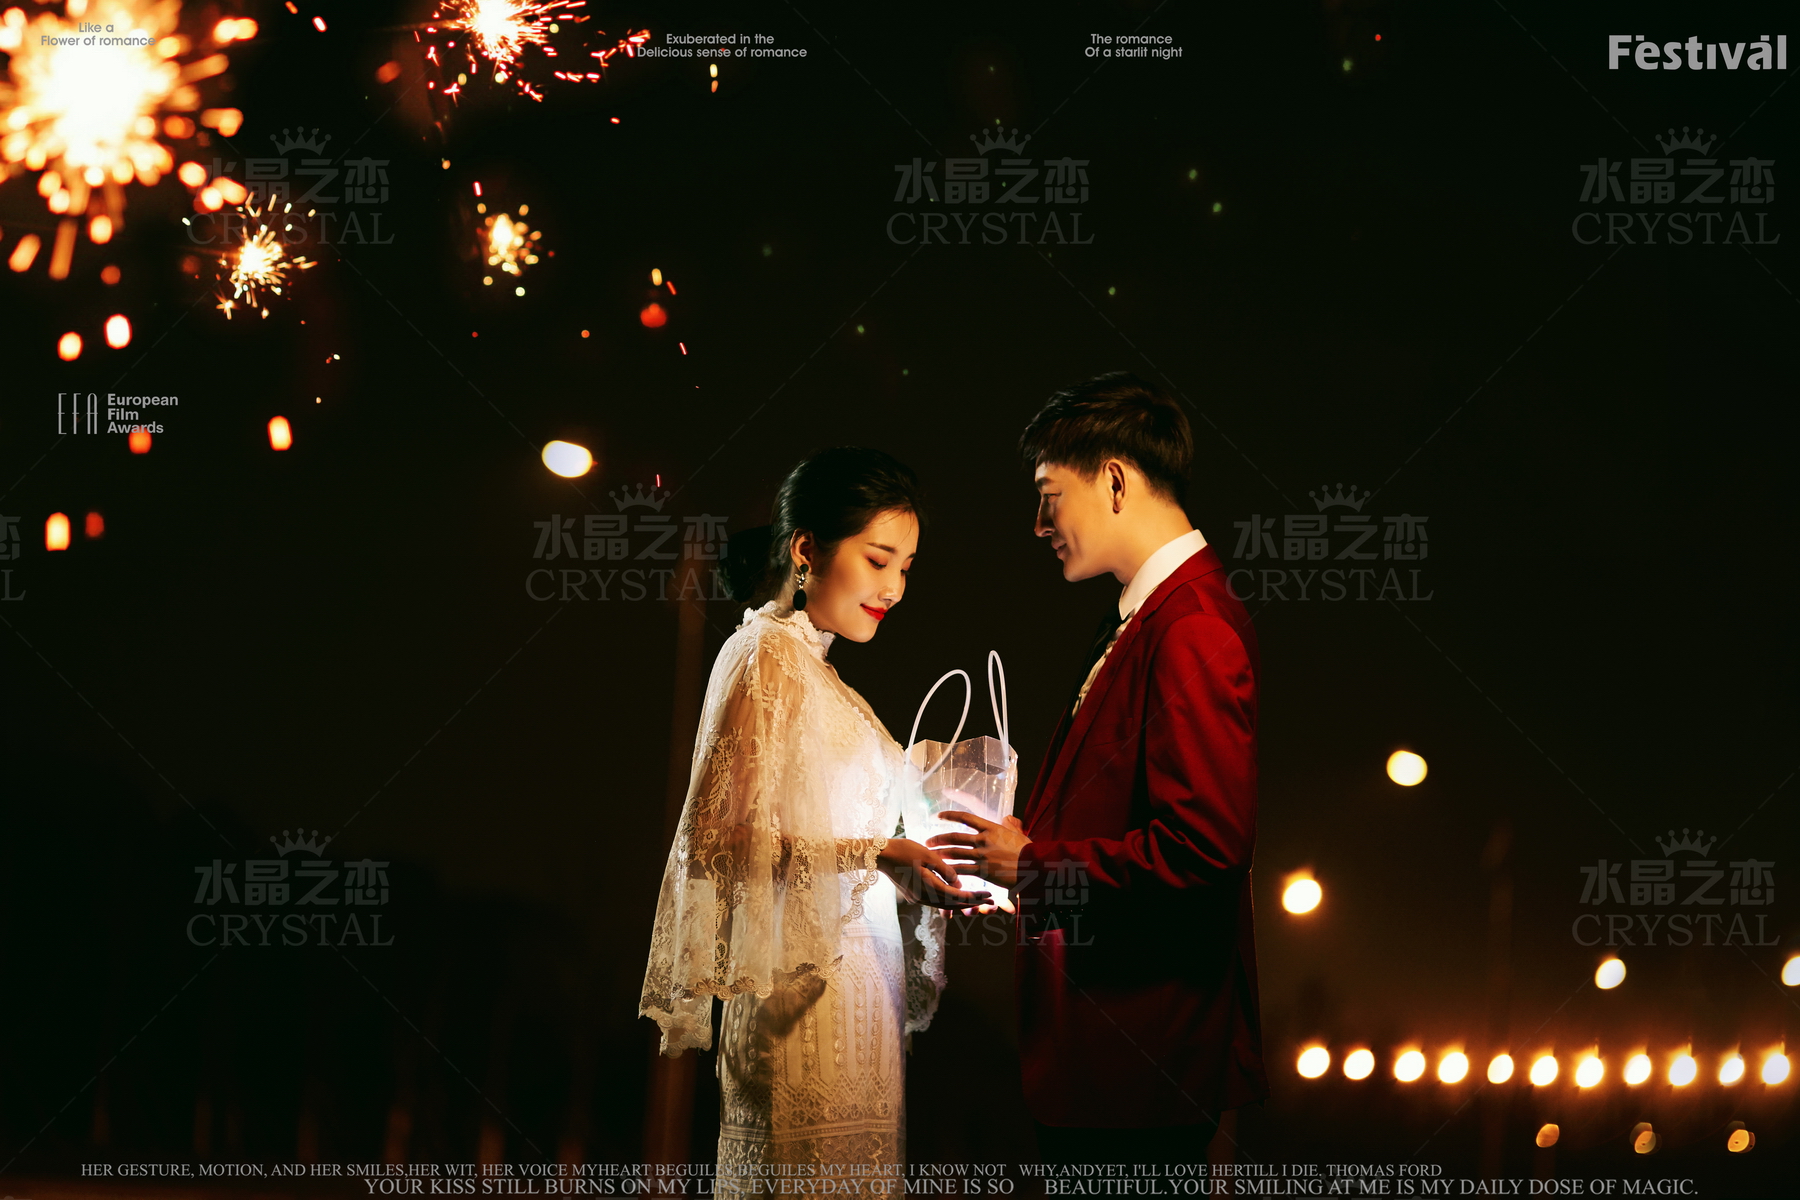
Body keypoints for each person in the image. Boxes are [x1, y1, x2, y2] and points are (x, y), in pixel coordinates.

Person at [929, 373, 1269, 1166]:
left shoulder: (1192, 626)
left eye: (1049, 495)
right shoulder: (1150, 615)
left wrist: (1034, 866)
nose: (1038, 523)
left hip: (1137, 1064)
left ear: (1114, 481)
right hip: (1110, 1061)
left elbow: (1205, 852)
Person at [639, 446, 988, 1179]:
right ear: (806, 550)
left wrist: (923, 867)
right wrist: (875, 854)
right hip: (796, 1013)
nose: (894, 587)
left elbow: (846, 852)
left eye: (906, 568)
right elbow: (715, 840)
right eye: (878, 559)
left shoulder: (827, 682)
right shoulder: (762, 653)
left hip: (862, 1004)